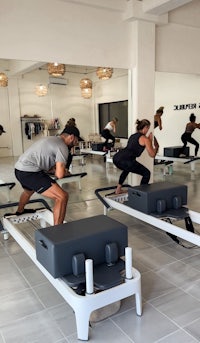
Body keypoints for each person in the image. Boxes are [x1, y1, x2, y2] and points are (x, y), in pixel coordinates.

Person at [14, 126, 80, 225]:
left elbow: (46, 163)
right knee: (62, 196)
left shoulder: (51, 139)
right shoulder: (63, 147)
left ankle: (20, 211)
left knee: (28, 191)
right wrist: (64, 172)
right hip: (30, 172)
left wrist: (54, 170)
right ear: (71, 137)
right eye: (76, 140)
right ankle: (58, 231)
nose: (77, 143)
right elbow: (60, 175)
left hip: (19, 169)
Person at [113, 119, 159, 194]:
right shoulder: (145, 139)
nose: (148, 130)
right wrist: (156, 146)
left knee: (127, 169)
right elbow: (152, 154)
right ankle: (141, 194)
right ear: (145, 128)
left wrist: (149, 141)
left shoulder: (133, 136)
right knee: (146, 173)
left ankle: (118, 189)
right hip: (126, 160)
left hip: (117, 158)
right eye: (148, 128)